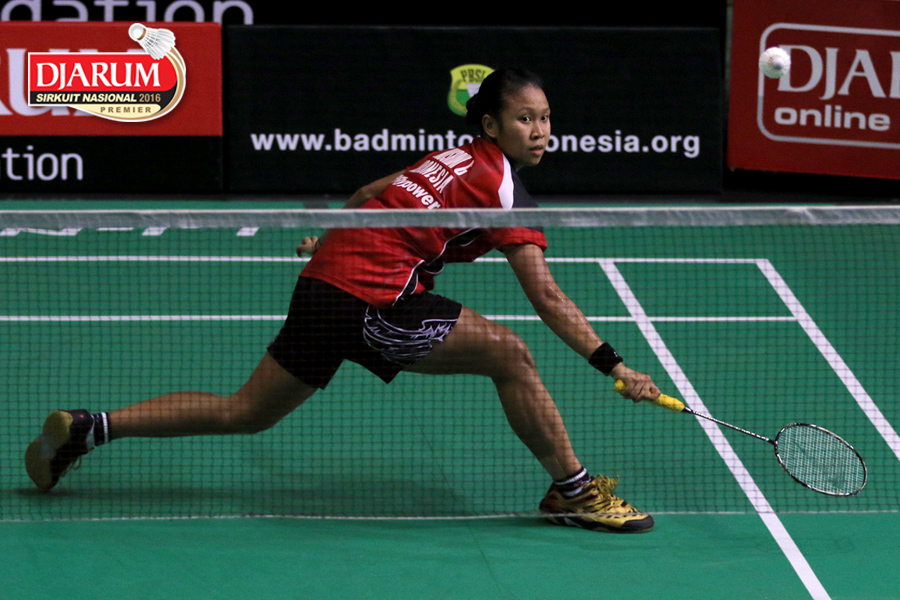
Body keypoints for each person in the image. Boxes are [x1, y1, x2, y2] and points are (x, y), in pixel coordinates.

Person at [25, 68, 662, 533]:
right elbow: (544, 294)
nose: (541, 131)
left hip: (323, 286)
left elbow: (367, 194)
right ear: (492, 125)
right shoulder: (502, 189)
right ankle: (573, 491)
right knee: (512, 355)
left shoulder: (452, 158)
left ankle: (89, 428)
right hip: (372, 300)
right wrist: (614, 364)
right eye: (526, 119)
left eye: (545, 117)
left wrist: (327, 240)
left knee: (245, 411)